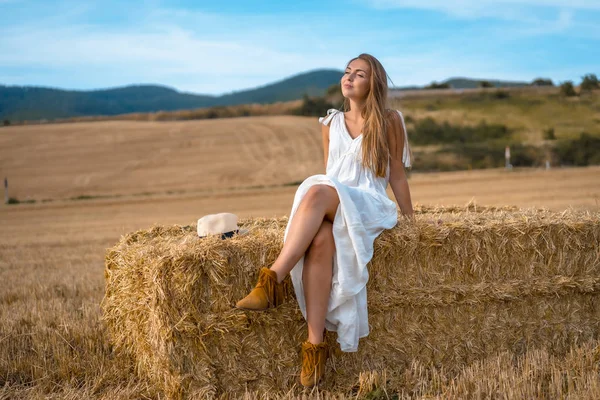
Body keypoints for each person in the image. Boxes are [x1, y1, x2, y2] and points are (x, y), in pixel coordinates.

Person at [235, 53, 414, 388]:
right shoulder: (329, 123)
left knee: (316, 191)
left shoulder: (390, 120)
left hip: (369, 202)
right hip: (336, 199)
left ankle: (272, 280)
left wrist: (411, 221)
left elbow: (398, 176)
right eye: (347, 72)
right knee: (320, 238)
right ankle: (315, 346)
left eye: (359, 74)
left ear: (372, 82)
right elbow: (333, 174)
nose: (349, 77)